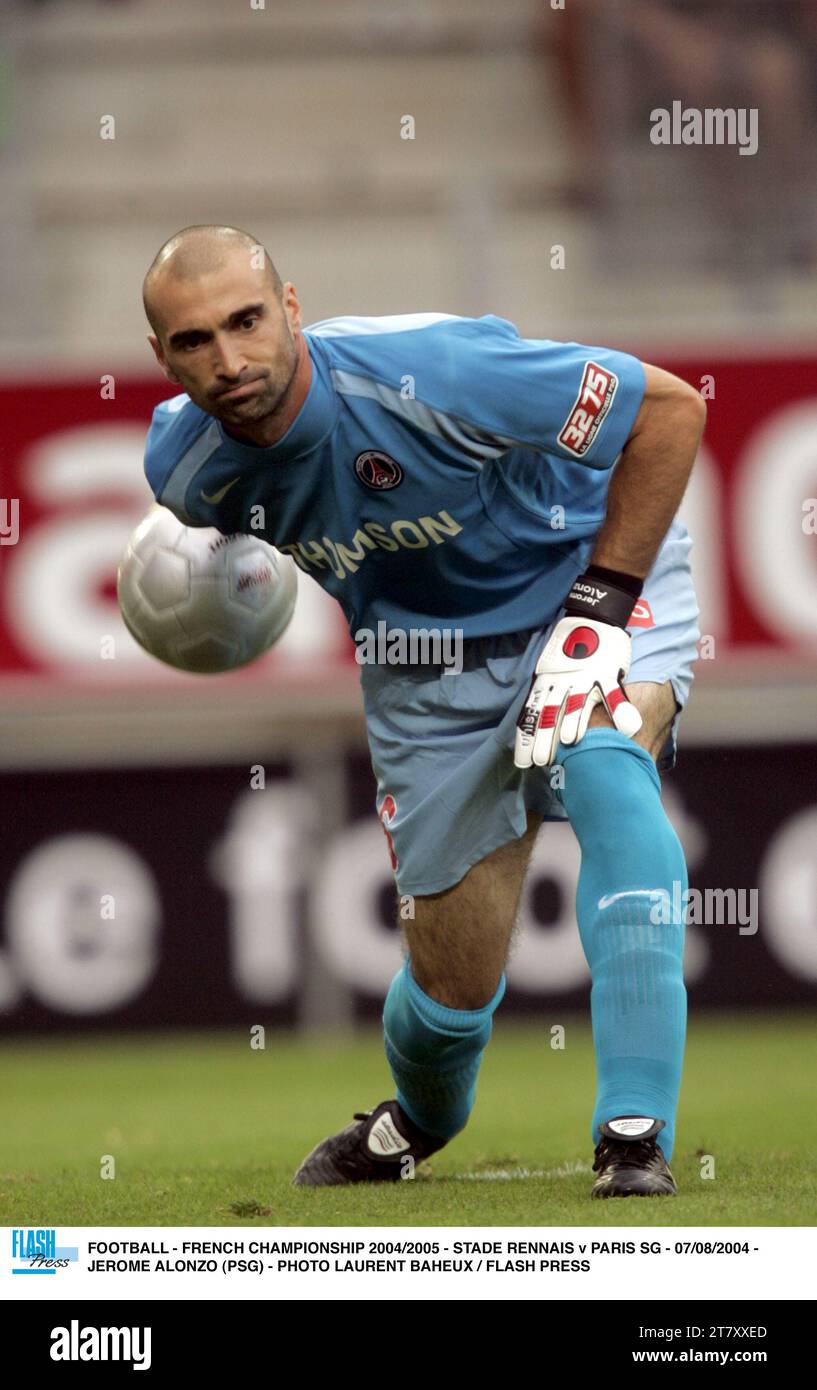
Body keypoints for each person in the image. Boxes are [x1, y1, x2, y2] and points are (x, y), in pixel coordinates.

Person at [141, 224, 705, 1198]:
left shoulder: (437, 372)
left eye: (246, 321)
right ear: (161, 357)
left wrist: (603, 605)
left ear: (291, 307)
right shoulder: (185, 472)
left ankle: (633, 1130)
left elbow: (669, 410)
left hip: (585, 581)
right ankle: (419, 1119)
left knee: (610, 762)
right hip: (422, 671)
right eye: (195, 341)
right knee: (451, 991)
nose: (230, 360)